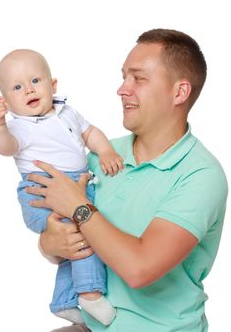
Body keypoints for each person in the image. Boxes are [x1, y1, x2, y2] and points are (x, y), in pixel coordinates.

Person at [26, 29, 228, 332]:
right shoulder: (102, 155)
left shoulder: (202, 175)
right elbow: (56, 244)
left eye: (138, 78)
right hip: (93, 325)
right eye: (124, 77)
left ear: (179, 92)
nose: (122, 89)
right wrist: (50, 242)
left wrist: (79, 207)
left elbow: (139, 268)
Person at [0, 49, 124, 326]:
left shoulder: (68, 112)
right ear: (6, 100)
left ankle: (64, 301)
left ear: (53, 85)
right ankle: (90, 293)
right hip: (42, 191)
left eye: (35, 81)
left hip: (74, 186)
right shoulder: (20, 126)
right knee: (83, 233)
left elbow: (91, 133)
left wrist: (106, 150)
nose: (28, 89)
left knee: (69, 246)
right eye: (17, 87)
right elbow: (5, 148)